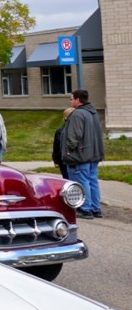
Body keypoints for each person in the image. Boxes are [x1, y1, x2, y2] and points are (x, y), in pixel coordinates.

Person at [61, 89, 104, 219]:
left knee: (82, 181)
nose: (70, 101)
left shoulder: (78, 114)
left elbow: (73, 136)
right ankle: (96, 208)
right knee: (92, 181)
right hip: (93, 153)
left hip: (80, 155)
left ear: (78, 100)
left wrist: (69, 150)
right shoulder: (93, 113)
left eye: (71, 98)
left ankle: (85, 209)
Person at [52, 107, 74, 178]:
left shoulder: (61, 131)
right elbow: (56, 147)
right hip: (64, 160)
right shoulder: (60, 131)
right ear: (65, 117)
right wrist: (56, 160)